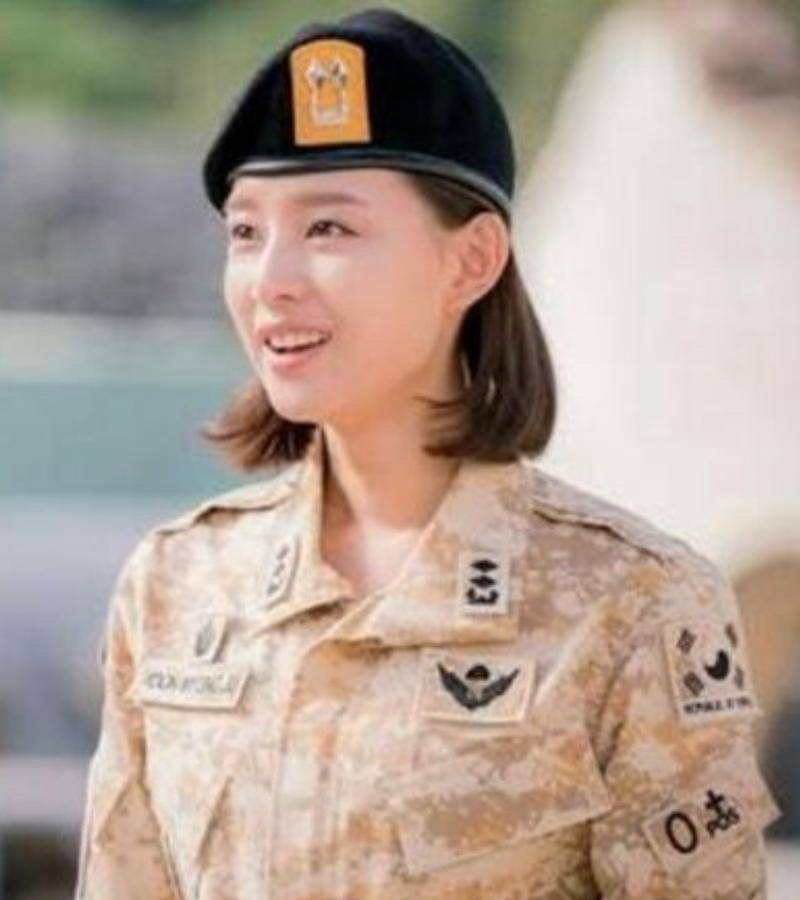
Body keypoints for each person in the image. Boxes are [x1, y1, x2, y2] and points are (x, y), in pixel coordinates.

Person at [74, 7, 780, 899]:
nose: (271, 280)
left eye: (329, 229)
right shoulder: (178, 584)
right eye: (246, 232)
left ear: (472, 260)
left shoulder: (634, 605)